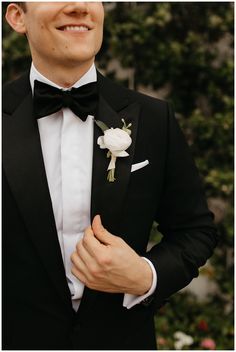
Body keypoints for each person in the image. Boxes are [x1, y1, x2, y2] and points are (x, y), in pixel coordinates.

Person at [3, 2, 218, 350]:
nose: (79, 6)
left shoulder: (153, 117)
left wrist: (145, 275)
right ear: (17, 17)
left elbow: (196, 231)